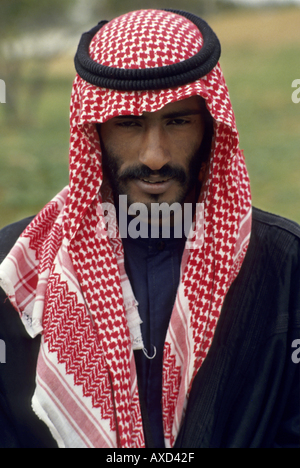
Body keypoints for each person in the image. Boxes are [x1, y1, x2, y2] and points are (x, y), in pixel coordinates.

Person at [0, 9, 299, 449]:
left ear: (211, 127)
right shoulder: (17, 268)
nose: (155, 156)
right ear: (94, 131)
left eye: (177, 121)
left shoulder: (284, 264)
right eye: (128, 123)